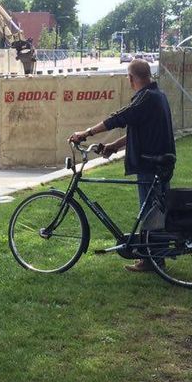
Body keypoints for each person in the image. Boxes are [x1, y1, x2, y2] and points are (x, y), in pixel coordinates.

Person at [68, 58, 175, 272]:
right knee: (157, 212)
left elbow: (120, 117)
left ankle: (151, 261)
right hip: (161, 162)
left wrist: (86, 133)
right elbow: (138, 130)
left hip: (149, 165)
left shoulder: (145, 98)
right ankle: (155, 258)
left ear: (131, 78)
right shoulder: (157, 95)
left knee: (151, 215)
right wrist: (114, 146)